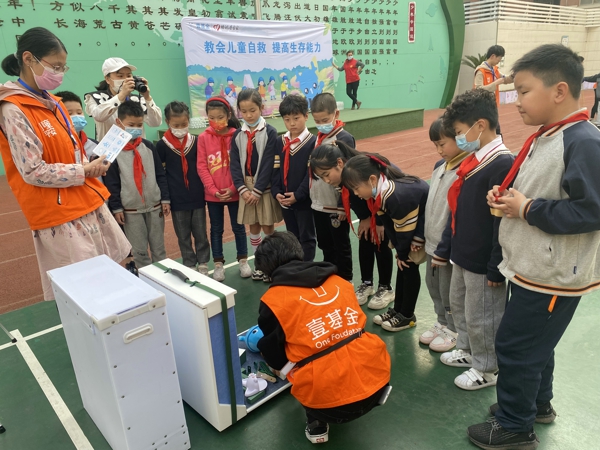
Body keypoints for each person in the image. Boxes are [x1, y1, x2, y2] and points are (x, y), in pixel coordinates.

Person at [467, 44, 600, 450]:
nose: (516, 100)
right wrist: (510, 198)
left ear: (559, 91)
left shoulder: (583, 140)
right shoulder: (549, 135)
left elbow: (592, 210)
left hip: (553, 274)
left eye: (523, 91)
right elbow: (545, 191)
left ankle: (514, 426)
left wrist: (527, 208)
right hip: (534, 265)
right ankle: (535, 405)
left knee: (517, 346)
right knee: (536, 344)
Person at [0, 27, 130, 300]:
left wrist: (91, 163)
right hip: (60, 215)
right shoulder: (13, 109)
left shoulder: (54, 103)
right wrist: (83, 170)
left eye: (63, 67)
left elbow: (72, 151)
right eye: (55, 67)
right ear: (28, 59)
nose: (59, 73)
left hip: (87, 200)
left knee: (109, 281)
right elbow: (32, 170)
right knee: (83, 292)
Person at [255, 231, 391, 444]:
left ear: (267, 269)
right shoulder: (340, 281)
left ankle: (317, 422)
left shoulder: (273, 301)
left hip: (330, 407)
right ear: (298, 252)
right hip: (378, 382)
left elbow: (275, 357)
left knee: (287, 356)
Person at [438, 89, 514, 390]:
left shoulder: (502, 163)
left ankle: (487, 367)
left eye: (459, 132)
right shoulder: (474, 159)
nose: (459, 138)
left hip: (483, 260)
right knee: (463, 307)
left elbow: (501, 223)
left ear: (480, 125)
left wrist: (495, 265)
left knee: (484, 315)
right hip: (463, 252)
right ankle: (468, 350)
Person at [341, 155, 429, 332]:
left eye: (356, 188)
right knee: (403, 264)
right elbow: (388, 223)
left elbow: (405, 230)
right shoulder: (378, 192)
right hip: (411, 223)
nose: (356, 194)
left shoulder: (394, 195)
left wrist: (403, 252)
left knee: (408, 264)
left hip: (424, 223)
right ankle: (398, 310)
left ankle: (407, 315)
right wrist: (397, 248)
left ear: (372, 180)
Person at [310, 142, 395, 309]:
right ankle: (367, 283)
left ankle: (386, 287)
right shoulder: (344, 177)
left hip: (385, 209)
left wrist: (379, 222)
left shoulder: (358, 171)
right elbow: (354, 199)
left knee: (380, 242)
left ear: (339, 163)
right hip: (369, 211)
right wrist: (364, 218)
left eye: (326, 174)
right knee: (365, 241)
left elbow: (382, 195)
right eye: (321, 177)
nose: (326, 180)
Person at [419, 118, 468, 353]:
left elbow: (457, 213)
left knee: (450, 291)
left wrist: (445, 246)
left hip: (447, 247)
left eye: (443, 144)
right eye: (435, 145)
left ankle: (454, 328)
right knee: (433, 286)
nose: (439, 150)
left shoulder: (466, 169)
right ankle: (441, 321)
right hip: (432, 241)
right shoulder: (440, 166)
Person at [104, 101, 170, 268]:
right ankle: (145, 279)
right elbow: (112, 183)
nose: (136, 128)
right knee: (139, 252)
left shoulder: (148, 146)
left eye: (139, 125)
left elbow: (160, 174)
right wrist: (117, 208)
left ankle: (162, 279)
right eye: (131, 125)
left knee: (159, 249)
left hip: (155, 207)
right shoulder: (113, 151)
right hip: (130, 211)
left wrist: (165, 199)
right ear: (119, 123)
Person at [196, 97, 252, 281]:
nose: (216, 121)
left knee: (238, 227)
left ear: (228, 115)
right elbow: (202, 166)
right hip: (213, 195)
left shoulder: (238, 135)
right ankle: (218, 264)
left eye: (220, 117)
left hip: (235, 192)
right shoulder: (203, 138)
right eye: (211, 118)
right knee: (216, 229)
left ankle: (243, 260)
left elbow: (243, 164)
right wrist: (213, 190)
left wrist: (234, 188)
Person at [230, 88, 282, 282]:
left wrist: (258, 190)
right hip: (246, 188)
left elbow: (268, 163)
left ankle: (271, 265)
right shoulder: (237, 135)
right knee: (253, 226)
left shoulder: (270, 132)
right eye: (244, 111)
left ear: (261, 107)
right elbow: (235, 164)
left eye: (252, 110)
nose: (249, 115)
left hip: (263, 188)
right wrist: (242, 189)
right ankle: (259, 265)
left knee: (268, 227)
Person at [156, 101, 210, 275]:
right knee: (183, 235)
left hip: (197, 196)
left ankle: (203, 261)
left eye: (184, 124)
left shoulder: (196, 141)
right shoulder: (162, 145)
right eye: (176, 125)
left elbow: (203, 167)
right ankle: (189, 263)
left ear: (189, 121)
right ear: (167, 122)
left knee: (201, 232)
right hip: (177, 198)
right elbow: (160, 174)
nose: (180, 128)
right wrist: (165, 198)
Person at [309, 93, 355, 282]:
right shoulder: (318, 138)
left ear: (336, 114)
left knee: (340, 245)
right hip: (319, 204)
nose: (321, 124)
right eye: (317, 121)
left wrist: (342, 206)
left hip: (336, 206)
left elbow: (348, 175)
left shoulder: (344, 138)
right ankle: (331, 278)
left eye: (325, 120)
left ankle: (346, 279)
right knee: (325, 244)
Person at [272, 94, 317, 261]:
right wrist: (276, 191)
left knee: (307, 237)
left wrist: (298, 195)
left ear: (306, 116)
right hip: (285, 200)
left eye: (296, 118)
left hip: (304, 201)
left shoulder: (313, 143)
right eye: (287, 119)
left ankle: (307, 267)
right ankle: (296, 267)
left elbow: (311, 173)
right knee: (292, 237)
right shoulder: (280, 142)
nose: (292, 123)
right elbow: (275, 169)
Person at [84, 57, 162, 140]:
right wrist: (122, 95)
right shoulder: (95, 97)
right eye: (120, 76)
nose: (126, 79)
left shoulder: (137, 99)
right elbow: (99, 116)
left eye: (129, 75)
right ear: (107, 79)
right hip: (110, 147)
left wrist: (147, 97)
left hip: (137, 147)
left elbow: (155, 122)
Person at [473, 45, 514, 134]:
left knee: (495, 129)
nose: (499, 61)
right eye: (499, 59)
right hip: (483, 105)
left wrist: (514, 76)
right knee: (490, 130)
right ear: (493, 56)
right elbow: (478, 89)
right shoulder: (481, 71)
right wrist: (495, 83)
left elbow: (505, 79)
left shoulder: (495, 70)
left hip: (493, 105)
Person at [55, 91, 98, 161]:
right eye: (69, 113)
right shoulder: (54, 146)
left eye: (79, 112)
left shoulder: (95, 146)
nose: (76, 116)